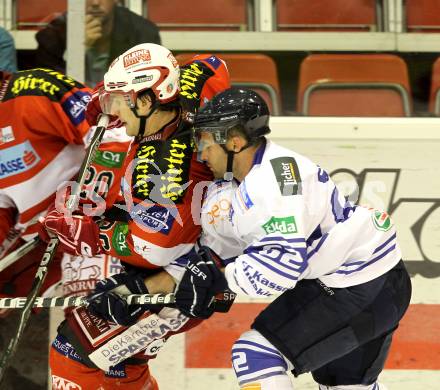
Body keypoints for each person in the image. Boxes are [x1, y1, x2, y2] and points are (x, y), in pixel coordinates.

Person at [174, 88, 412, 390]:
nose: (200, 153)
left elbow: (281, 265)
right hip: (380, 277)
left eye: (205, 142)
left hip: (357, 285)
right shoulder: (262, 170)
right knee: (345, 385)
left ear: (234, 140)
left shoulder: (269, 184)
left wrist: (221, 280)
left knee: (255, 355)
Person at [40, 43, 231, 389]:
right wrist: (106, 99)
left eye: (120, 101)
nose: (113, 110)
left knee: (73, 349)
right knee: (122, 366)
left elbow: (156, 248)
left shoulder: (161, 169)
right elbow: (213, 65)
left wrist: (86, 234)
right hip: (201, 257)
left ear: (145, 101)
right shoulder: (184, 90)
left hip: (186, 279)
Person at [0, 67, 95, 387]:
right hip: (38, 256)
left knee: (90, 352)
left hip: (95, 236)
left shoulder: (36, 89)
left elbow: (112, 136)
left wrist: (81, 207)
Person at [35, 0, 161, 86]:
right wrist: (78, 49)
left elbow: (150, 85)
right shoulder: (52, 35)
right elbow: (49, 88)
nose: (95, 2)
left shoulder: (143, 33)